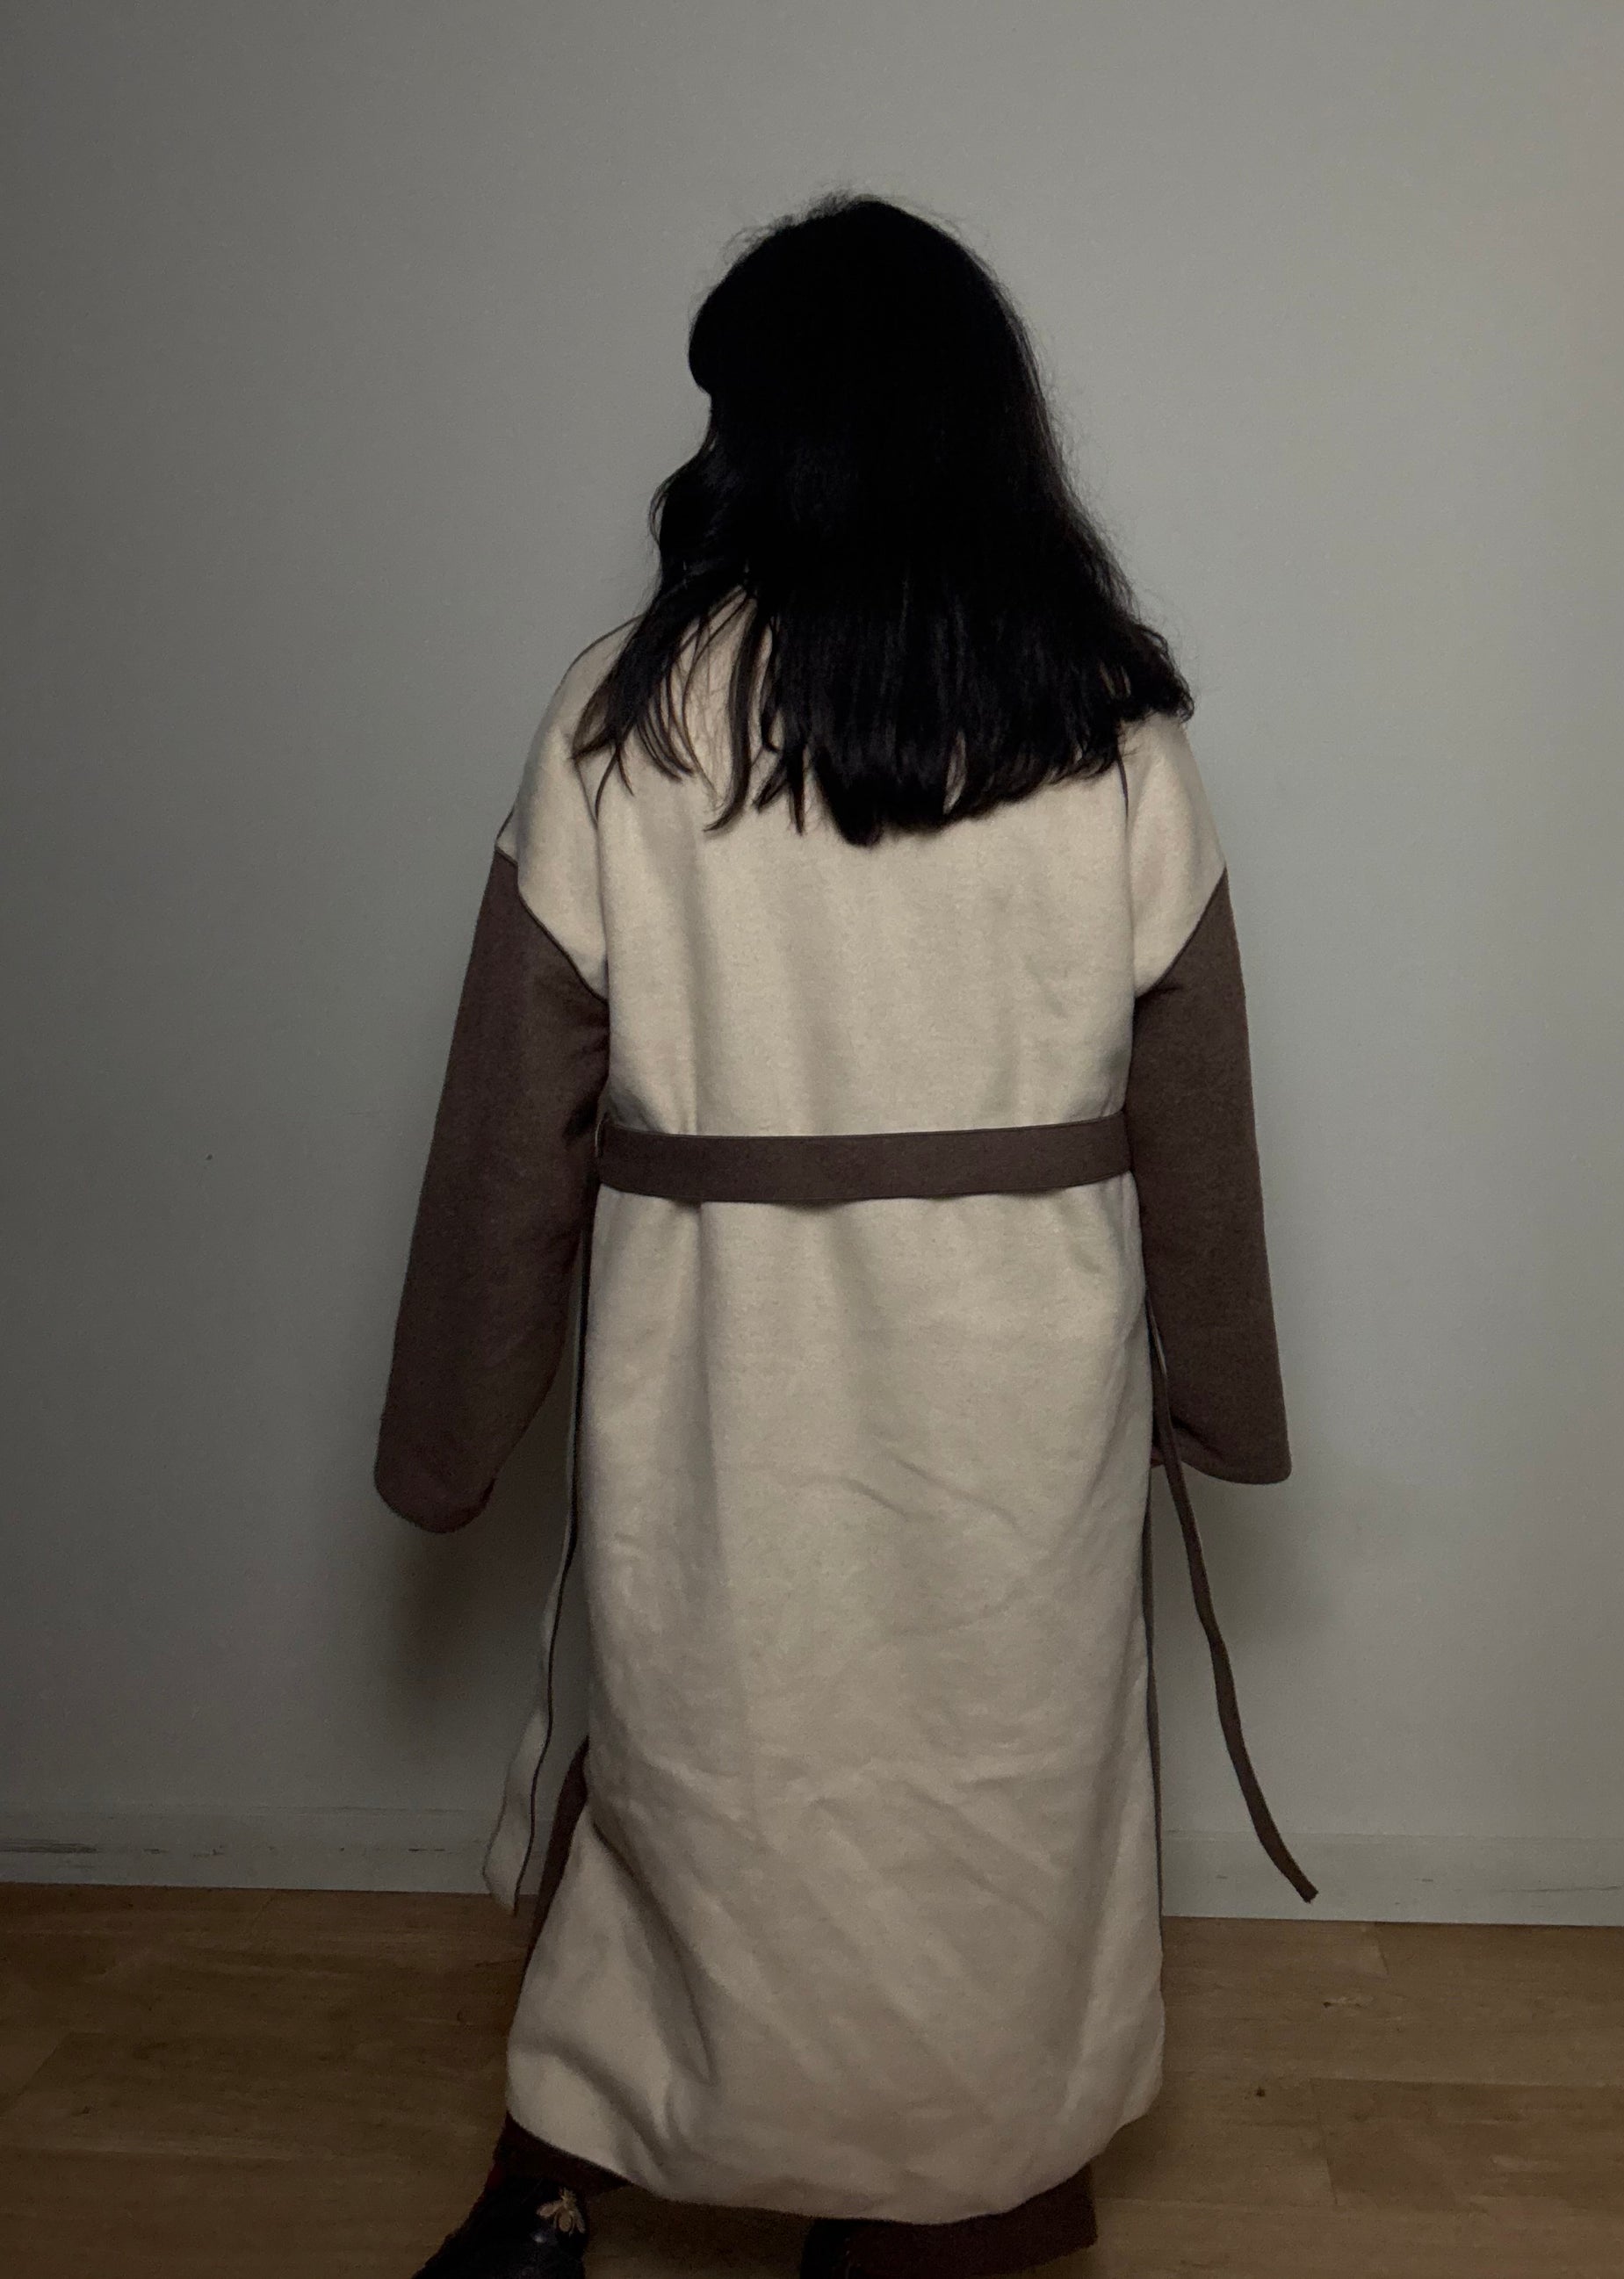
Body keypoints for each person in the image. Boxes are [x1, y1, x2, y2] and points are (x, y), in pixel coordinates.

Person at [374, 190, 1310, 2279]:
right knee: (994, 1793)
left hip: (728, 1360)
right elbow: (1197, 1109)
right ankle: (948, 2200)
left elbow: (508, 1124)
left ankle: (560, 2175)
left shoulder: (624, 717)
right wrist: (1224, 1400)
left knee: (713, 1764)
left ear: (761, 434)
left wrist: (449, 1435)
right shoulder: (1105, 724)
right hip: (1016, 1383)